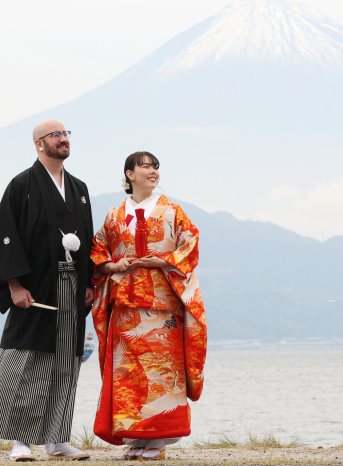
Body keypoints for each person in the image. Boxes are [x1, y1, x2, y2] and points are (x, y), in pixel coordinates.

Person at [0, 119, 94, 462]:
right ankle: (20, 439)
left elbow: (88, 240)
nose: (63, 139)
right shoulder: (22, 185)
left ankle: (56, 438)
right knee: (25, 360)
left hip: (72, 285)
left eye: (65, 134)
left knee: (66, 361)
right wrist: (14, 284)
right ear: (39, 144)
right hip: (34, 287)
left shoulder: (79, 188)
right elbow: (6, 235)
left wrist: (89, 282)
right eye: (55, 135)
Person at [90, 151, 207, 460]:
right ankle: (136, 437)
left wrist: (164, 260)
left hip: (161, 305)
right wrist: (113, 267)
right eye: (145, 166)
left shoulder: (172, 212)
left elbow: (190, 245)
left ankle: (157, 441)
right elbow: (97, 250)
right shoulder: (114, 216)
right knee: (127, 373)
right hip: (125, 306)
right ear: (130, 174)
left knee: (161, 374)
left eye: (155, 166)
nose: (152, 171)